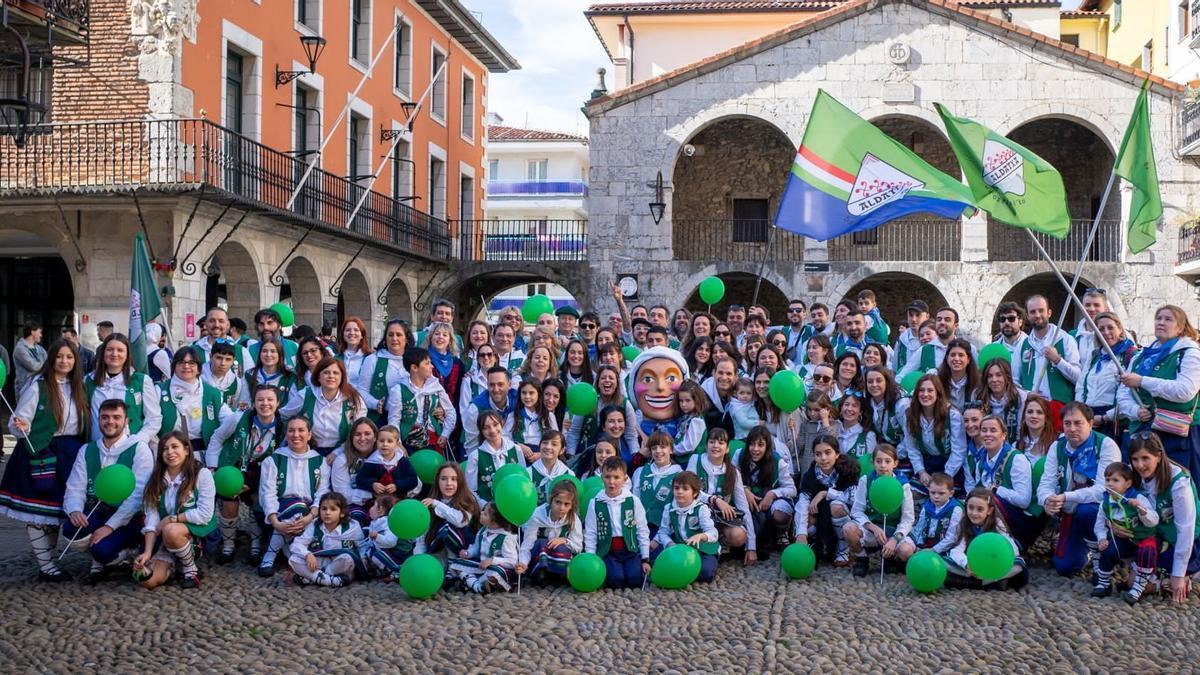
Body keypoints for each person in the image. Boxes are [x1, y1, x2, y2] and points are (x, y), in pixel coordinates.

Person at [0, 339, 90, 581]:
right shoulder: (38, 386)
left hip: (71, 451)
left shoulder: (79, 387)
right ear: (51, 359)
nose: (64, 361)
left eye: (69, 357)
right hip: (41, 450)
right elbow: (18, 421)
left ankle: (48, 560)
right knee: (39, 509)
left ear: (75, 361)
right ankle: (46, 565)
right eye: (60, 356)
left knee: (57, 511)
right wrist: (21, 426)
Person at [61, 399, 154, 584]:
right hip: (97, 509)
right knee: (71, 529)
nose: (110, 422)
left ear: (126, 421)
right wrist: (75, 510)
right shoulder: (87, 450)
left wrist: (110, 526)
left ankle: (128, 550)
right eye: (105, 417)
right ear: (99, 420)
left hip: (128, 517)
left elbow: (137, 496)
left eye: (116, 417)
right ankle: (100, 549)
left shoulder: (139, 448)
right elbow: (75, 487)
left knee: (102, 552)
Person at [1117, 305, 1200, 485]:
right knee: (1147, 485)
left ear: (1180, 327)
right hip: (1145, 431)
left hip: (1178, 434)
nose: (1161, 322)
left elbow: (1185, 391)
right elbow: (1123, 391)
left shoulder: (1189, 353)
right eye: (1158, 318)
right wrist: (1135, 411)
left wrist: (1142, 381)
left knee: (1181, 484)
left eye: (1168, 319)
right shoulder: (1141, 355)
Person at [1036, 402, 1121, 578]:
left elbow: (1102, 491)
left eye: (1078, 423)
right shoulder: (1057, 446)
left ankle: (1103, 558)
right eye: (1067, 423)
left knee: (1087, 510)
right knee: (1065, 567)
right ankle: (1088, 550)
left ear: (1090, 424)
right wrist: (1047, 500)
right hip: (1070, 513)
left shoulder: (1105, 445)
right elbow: (1046, 483)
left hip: (1102, 514)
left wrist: (1066, 497)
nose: (1072, 428)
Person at [208, 383, 285, 564]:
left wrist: (252, 483)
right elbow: (217, 438)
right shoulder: (237, 418)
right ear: (253, 403)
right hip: (233, 466)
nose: (264, 403)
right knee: (229, 503)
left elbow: (279, 459)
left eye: (269, 400)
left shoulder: (282, 428)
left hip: (260, 471)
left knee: (259, 499)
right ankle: (228, 545)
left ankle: (255, 544)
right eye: (260, 399)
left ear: (278, 403)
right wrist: (213, 468)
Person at [133, 432, 216, 590]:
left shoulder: (202, 474)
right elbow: (152, 518)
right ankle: (173, 565)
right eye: (164, 449)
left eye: (174, 446)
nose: (170, 452)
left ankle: (191, 569)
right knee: (146, 581)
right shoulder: (155, 479)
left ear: (186, 449)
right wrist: (148, 552)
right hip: (165, 537)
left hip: (197, 533)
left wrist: (172, 519)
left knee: (172, 531)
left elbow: (205, 514)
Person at [1128, 432, 1200, 604]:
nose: (1140, 465)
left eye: (1146, 458)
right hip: (1159, 538)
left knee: (1138, 584)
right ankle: (1167, 581)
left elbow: (1186, 529)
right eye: (1135, 459)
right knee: (1131, 582)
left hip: (1185, 540)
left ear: (1159, 456)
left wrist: (1178, 574)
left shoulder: (1178, 482)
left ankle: (1185, 576)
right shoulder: (1134, 475)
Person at [256, 416, 331, 577]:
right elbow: (267, 493)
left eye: (301, 430)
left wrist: (311, 516)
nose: (296, 434)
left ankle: (275, 554)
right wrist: (275, 522)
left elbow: (322, 493)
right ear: (286, 434)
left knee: (302, 508)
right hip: (282, 509)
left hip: (312, 513)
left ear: (309, 435)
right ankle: (273, 554)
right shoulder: (274, 460)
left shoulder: (320, 462)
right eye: (291, 430)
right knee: (296, 507)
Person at [964, 415, 1037, 551]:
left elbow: (1024, 501)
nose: (988, 434)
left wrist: (997, 490)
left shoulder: (1016, 459)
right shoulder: (981, 461)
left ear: (1003, 435)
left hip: (1019, 521)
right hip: (990, 515)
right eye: (984, 430)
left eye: (993, 430)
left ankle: (1006, 547)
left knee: (990, 501)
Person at [1091, 461, 1160, 603]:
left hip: (1142, 538)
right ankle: (1104, 584)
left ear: (1128, 484)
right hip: (1122, 540)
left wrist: (1142, 510)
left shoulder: (1138, 498)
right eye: (1107, 480)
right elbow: (1099, 524)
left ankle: (1137, 588)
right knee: (1108, 550)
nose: (1110, 484)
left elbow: (1154, 521)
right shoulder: (1105, 502)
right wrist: (1102, 538)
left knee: (1147, 551)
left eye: (1115, 480)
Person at [688, 428, 756, 564]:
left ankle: (720, 543)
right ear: (706, 445)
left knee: (738, 535)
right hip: (697, 517)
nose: (715, 446)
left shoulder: (733, 472)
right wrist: (714, 499)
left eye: (721, 443)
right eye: (712, 442)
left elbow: (743, 507)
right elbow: (688, 491)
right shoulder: (695, 460)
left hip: (720, 521)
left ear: (727, 449)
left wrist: (751, 547)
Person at [845, 444, 914, 577]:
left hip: (894, 530)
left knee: (906, 551)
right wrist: (872, 527)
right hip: (873, 530)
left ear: (895, 463)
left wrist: (894, 539)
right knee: (849, 529)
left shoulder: (903, 485)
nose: (883, 465)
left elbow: (908, 518)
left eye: (887, 461)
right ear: (873, 462)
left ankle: (892, 558)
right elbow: (857, 511)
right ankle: (862, 558)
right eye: (879, 461)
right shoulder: (865, 481)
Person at [584, 457, 652, 589]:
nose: (611, 482)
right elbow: (590, 532)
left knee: (634, 580)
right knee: (616, 580)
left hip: (630, 551)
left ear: (625, 479)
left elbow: (642, 530)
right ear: (601, 477)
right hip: (608, 551)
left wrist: (645, 559)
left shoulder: (633, 501)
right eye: (607, 477)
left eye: (616, 477)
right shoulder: (595, 502)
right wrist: (591, 559)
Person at [158, 347, 235, 463]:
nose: (186, 366)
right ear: (174, 366)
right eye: (181, 362)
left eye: (192, 363)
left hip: (202, 456)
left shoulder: (212, 393)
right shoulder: (159, 390)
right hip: (170, 456)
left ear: (199, 368)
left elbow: (230, 420)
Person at [942, 488, 1028, 590]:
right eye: (971, 508)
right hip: (972, 563)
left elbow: (1011, 547)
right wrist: (967, 565)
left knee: (1019, 566)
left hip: (994, 563)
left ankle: (980, 582)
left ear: (989, 510)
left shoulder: (996, 523)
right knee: (943, 562)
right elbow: (956, 551)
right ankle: (990, 582)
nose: (974, 513)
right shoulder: (964, 523)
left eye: (980, 509)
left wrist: (1002, 561)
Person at [86, 333, 162, 446]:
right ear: (103, 353)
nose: (114, 354)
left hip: (131, 447)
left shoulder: (141, 381)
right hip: (97, 448)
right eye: (110, 349)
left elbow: (154, 418)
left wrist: (139, 440)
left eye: (120, 350)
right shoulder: (88, 381)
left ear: (127, 354)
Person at [794, 434, 859, 565]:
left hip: (847, 516)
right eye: (818, 454)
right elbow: (802, 502)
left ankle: (843, 548)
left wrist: (825, 493)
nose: (823, 458)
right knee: (806, 516)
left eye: (828, 453)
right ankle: (815, 544)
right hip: (820, 516)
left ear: (837, 454)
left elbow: (853, 499)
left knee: (836, 506)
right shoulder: (810, 476)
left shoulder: (848, 471)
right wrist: (801, 533)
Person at [1018, 295, 1081, 422]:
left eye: (1041, 310)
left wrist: (1058, 360)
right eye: (1033, 312)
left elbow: (1078, 378)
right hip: (1033, 409)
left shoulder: (1065, 340)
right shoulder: (1023, 345)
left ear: (1049, 313)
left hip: (1059, 408)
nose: (1037, 315)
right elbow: (1014, 382)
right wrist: (1027, 395)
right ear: (1028, 316)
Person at [899, 375, 966, 494]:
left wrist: (945, 475)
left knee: (943, 497)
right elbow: (912, 447)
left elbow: (959, 451)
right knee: (912, 496)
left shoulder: (952, 415)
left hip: (950, 466)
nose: (925, 394)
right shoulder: (910, 415)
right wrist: (921, 472)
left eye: (930, 390)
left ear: (938, 393)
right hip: (928, 464)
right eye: (921, 390)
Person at [651, 471, 720, 584]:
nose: (680, 492)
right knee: (660, 565)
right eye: (676, 488)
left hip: (703, 549)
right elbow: (663, 531)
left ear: (695, 493)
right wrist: (670, 544)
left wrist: (701, 536)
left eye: (685, 489)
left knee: (705, 573)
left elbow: (713, 533)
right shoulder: (669, 508)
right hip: (681, 549)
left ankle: (712, 561)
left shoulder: (701, 509)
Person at [737, 426, 796, 555]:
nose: (755, 449)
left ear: (767, 446)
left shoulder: (777, 461)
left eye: (760, 445)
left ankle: (781, 532)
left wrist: (772, 494)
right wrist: (745, 490)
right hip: (745, 499)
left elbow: (792, 489)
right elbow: (730, 478)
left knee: (780, 513)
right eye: (752, 444)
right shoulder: (739, 455)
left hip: (770, 500)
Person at [1076, 311, 1136, 438]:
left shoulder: (1130, 355)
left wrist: (1105, 417)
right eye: (1101, 329)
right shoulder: (1094, 356)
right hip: (1090, 417)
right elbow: (1081, 385)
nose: (1106, 332)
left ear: (1120, 329)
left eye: (1110, 327)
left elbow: (1131, 395)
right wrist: (1082, 412)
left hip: (1115, 420)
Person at [388, 347, 454, 459]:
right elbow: (394, 419)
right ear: (414, 367)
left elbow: (451, 412)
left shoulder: (436, 387)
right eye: (427, 363)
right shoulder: (399, 390)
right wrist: (398, 444)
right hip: (408, 442)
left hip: (434, 441)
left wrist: (445, 434)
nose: (432, 366)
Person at [294, 357, 367, 456]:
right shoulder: (304, 396)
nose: (331, 376)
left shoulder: (353, 398)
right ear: (318, 376)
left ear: (342, 377)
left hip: (343, 451)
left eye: (336, 373)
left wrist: (338, 452)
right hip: (308, 450)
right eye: (326, 372)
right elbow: (284, 415)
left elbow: (359, 430)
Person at [288, 491, 363, 587]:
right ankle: (330, 581)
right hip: (320, 562)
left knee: (347, 558)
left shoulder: (352, 527)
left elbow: (362, 547)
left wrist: (363, 566)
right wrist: (307, 554)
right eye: (324, 509)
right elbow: (297, 544)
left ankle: (313, 578)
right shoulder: (315, 526)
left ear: (342, 513)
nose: (327, 513)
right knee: (294, 559)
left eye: (333, 509)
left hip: (339, 562)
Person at [517, 479, 583, 585]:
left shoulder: (573, 519)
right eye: (558, 502)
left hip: (559, 556)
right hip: (539, 554)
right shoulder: (537, 515)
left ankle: (559, 575)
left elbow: (578, 548)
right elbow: (528, 543)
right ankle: (541, 573)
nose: (561, 508)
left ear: (571, 506)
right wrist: (523, 563)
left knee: (562, 547)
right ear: (551, 500)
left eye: (566, 504)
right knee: (542, 543)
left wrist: (564, 540)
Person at [448, 501, 519, 594]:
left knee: (496, 573)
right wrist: (468, 553)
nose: (481, 513)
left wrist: (492, 560)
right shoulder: (483, 531)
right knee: (456, 563)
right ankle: (479, 586)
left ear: (495, 522)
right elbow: (477, 547)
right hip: (480, 566)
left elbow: (512, 561)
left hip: (495, 569)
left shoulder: (506, 538)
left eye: (485, 514)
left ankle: (471, 584)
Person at [356, 319, 414, 425]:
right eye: (390, 335)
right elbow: (361, 390)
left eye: (399, 335)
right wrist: (376, 403)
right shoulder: (373, 359)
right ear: (385, 338)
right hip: (380, 419)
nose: (394, 338)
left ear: (407, 339)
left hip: (409, 421)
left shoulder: (415, 360)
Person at [466, 410, 525, 507]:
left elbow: (523, 479)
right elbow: (470, 489)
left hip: (514, 505)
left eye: (495, 424)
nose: (492, 430)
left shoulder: (516, 449)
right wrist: (484, 505)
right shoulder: (475, 456)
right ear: (481, 431)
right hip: (488, 509)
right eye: (486, 428)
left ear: (501, 423)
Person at [896, 472, 961, 562]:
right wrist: (911, 544)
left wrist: (933, 550)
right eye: (932, 492)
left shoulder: (955, 510)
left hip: (943, 548)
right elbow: (918, 529)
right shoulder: (927, 506)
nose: (936, 496)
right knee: (904, 549)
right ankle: (913, 564)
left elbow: (952, 538)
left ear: (951, 493)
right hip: (924, 543)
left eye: (941, 493)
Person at [422, 462, 479, 555]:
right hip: (438, 554)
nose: (449, 483)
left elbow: (460, 521)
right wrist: (420, 557)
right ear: (437, 481)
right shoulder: (430, 502)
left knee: (447, 527)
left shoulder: (467, 499)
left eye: (454, 479)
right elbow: (422, 537)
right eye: (443, 479)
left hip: (465, 553)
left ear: (459, 482)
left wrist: (437, 504)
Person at [632, 431, 681, 536]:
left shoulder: (679, 475)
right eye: (654, 448)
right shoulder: (640, 472)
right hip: (641, 528)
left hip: (666, 531)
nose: (658, 451)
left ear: (671, 450)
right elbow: (635, 500)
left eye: (663, 447)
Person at [355, 425, 419, 503]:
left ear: (397, 443)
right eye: (381, 441)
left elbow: (413, 480)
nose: (385, 444)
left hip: (399, 499)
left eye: (390, 441)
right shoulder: (372, 462)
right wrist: (372, 484)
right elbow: (360, 479)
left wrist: (397, 486)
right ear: (376, 441)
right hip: (377, 501)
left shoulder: (402, 461)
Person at [462, 367, 517, 454]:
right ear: (487, 385)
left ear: (509, 385)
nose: (496, 389)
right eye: (492, 385)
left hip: (512, 449)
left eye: (500, 384)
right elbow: (472, 445)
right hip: (484, 453)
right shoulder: (476, 408)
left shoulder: (517, 401)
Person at [201, 340, 250, 412]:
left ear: (233, 360)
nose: (223, 363)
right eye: (219, 358)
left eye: (228, 359)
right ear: (211, 357)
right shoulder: (198, 376)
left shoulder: (236, 382)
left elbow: (234, 408)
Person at [528, 430, 572, 505]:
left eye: (554, 444)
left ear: (562, 450)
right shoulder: (529, 472)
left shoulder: (568, 474)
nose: (548, 447)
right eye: (545, 443)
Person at [892, 300, 929, 374]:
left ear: (927, 317)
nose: (913, 319)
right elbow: (895, 368)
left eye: (918, 315)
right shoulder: (901, 341)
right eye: (911, 315)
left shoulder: (933, 340)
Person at [13, 320, 47, 394]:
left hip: (40, 387)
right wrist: (46, 365)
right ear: (32, 332)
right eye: (39, 332)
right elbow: (33, 366)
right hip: (25, 388)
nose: (41, 335)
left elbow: (49, 362)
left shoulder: (40, 348)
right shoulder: (20, 348)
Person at [336, 317, 373, 384]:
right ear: (343, 335)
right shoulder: (336, 358)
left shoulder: (371, 358)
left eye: (356, 330)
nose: (352, 333)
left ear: (362, 335)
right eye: (348, 330)